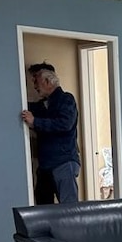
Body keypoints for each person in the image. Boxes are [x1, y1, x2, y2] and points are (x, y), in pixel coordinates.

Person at [21, 64, 81, 204]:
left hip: (63, 162)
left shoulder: (66, 99)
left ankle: (70, 227)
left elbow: (65, 124)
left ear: (48, 82)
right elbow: (25, 108)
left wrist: (35, 122)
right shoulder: (42, 105)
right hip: (45, 165)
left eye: (36, 81)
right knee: (43, 207)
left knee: (69, 208)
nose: (35, 86)